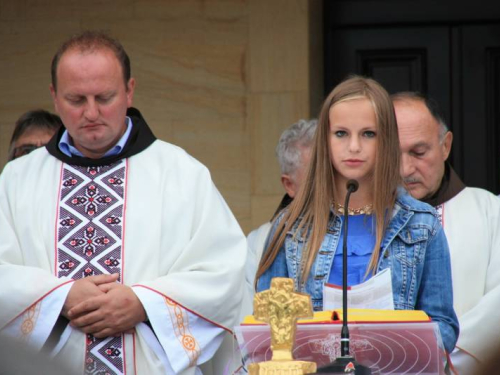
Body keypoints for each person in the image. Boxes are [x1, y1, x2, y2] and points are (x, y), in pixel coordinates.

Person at [0, 31, 247, 374]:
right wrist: (59, 297)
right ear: (54, 97)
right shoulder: (16, 180)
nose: (91, 112)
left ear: (129, 91)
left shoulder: (181, 173)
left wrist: (144, 303)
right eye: (76, 99)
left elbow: (226, 273)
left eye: (105, 97)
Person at [255, 76, 459, 354]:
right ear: (324, 140)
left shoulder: (422, 224)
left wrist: (395, 344)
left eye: (368, 134)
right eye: (341, 133)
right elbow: (265, 328)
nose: (353, 147)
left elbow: (444, 326)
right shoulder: (290, 225)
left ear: (386, 139)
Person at [392, 92, 500, 373]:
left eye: (418, 152)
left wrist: (442, 359)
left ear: (445, 146)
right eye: (392, 154)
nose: (405, 169)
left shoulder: (490, 211)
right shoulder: (360, 218)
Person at [247, 119, 317, 267]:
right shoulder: (259, 244)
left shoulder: (369, 228)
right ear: (289, 185)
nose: (330, 184)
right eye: (317, 176)